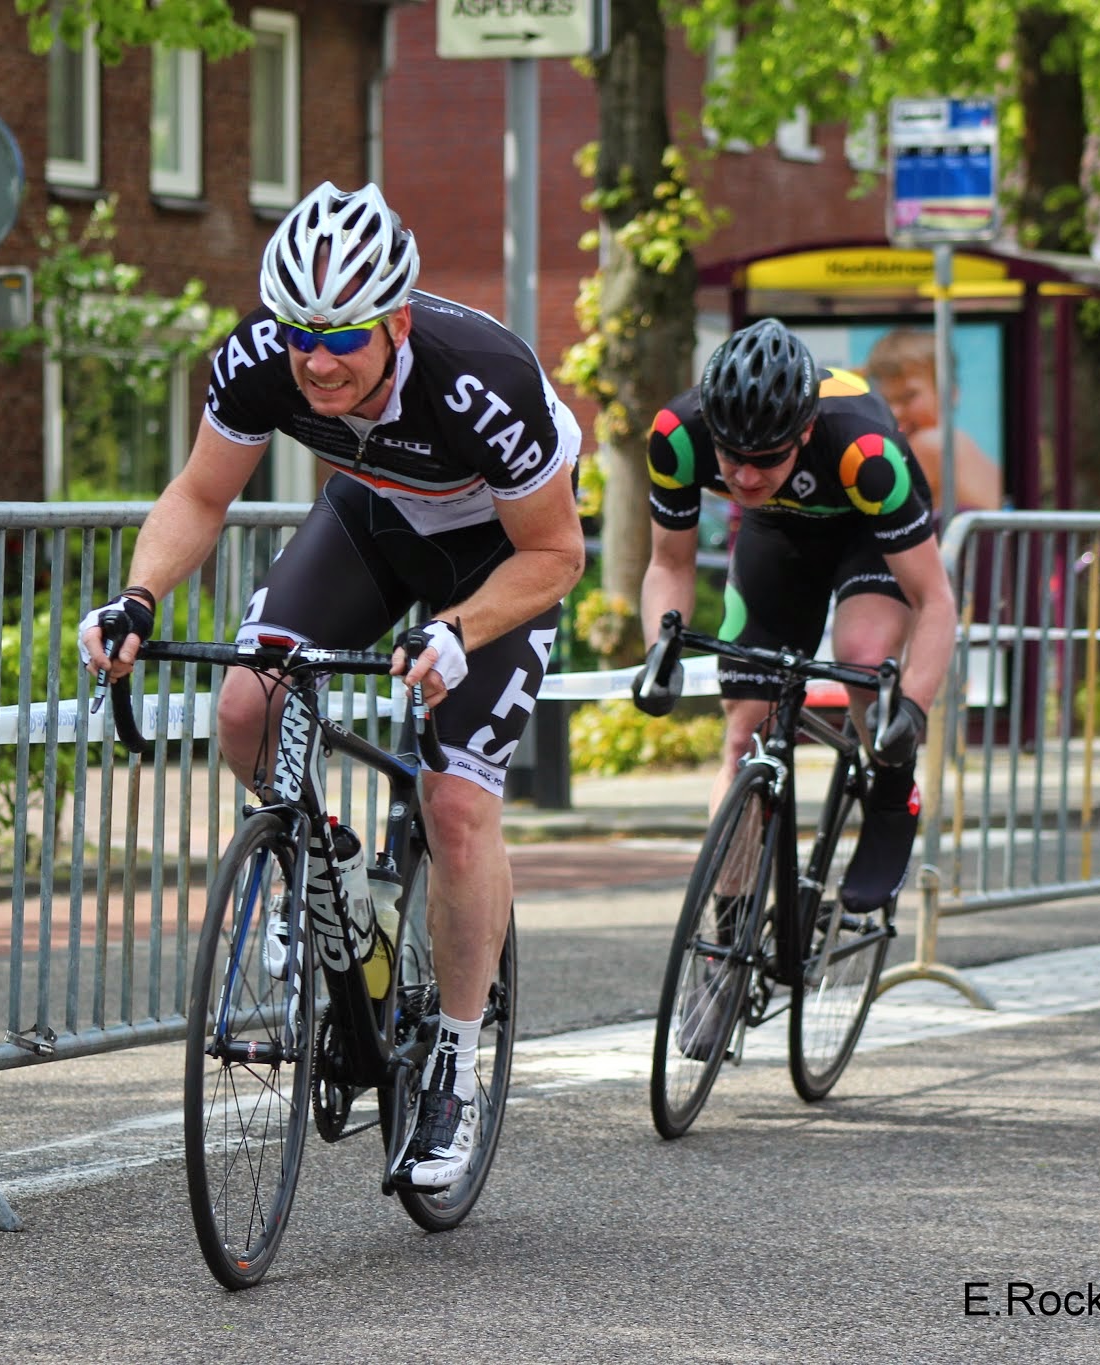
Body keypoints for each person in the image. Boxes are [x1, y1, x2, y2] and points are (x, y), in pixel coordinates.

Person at [79, 182, 584, 1190]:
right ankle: (329, 867)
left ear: (396, 321)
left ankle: (451, 1058)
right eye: (297, 332)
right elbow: (200, 493)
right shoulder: (261, 362)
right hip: (374, 522)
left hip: (497, 557)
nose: (315, 359)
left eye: (343, 336)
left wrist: (456, 632)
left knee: (453, 802)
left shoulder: (482, 379)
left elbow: (557, 553)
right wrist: (137, 599)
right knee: (243, 707)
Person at [638, 319, 956, 915]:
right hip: (779, 531)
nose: (747, 476)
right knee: (743, 731)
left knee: (861, 655)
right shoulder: (677, 434)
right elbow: (669, 563)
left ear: (804, 431)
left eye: (767, 458)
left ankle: (891, 799)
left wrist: (909, 708)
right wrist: (662, 649)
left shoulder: (867, 452)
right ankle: (726, 936)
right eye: (733, 458)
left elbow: (936, 600)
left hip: (866, 532)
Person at [862, 328, 1002, 519]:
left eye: (908, 397)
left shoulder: (930, 444)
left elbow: (873, 515)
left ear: (950, 394)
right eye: (884, 399)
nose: (895, 412)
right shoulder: (973, 453)